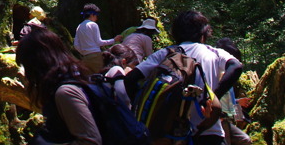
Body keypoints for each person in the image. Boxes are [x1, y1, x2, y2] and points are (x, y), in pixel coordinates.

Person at [125, 10, 242, 145]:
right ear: (203, 34)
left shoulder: (165, 54)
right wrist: (213, 97)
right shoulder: (214, 53)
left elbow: (130, 79)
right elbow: (236, 66)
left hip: (171, 134)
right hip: (209, 132)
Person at [17, 26, 102, 145]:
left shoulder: (65, 93)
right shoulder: (73, 79)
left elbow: (91, 141)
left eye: (26, 66)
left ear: (38, 63)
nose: (26, 74)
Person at [215, 38, 251, 145]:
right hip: (218, 120)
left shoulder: (229, 75)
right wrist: (238, 113)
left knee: (244, 140)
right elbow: (223, 102)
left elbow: (228, 99)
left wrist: (238, 105)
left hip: (226, 120)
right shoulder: (216, 73)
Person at [74, 4, 121, 73]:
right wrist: (114, 40)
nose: (97, 18)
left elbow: (76, 45)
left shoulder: (79, 26)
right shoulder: (93, 25)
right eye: (96, 15)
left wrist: (84, 52)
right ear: (92, 15)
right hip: (95, 56)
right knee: (99, 76)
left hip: (85, 57)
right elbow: (99, 42)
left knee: (89, 78)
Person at [103, 43, 137, 109]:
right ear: (124, 62)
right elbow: (122, 94)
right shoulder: (117, 70)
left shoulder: (106, 72)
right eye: (132, 68)